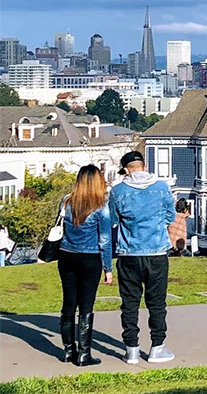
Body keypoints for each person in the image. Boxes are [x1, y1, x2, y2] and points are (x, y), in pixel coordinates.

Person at [109, 151, 176, 364]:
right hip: (156, 251)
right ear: (144, 166)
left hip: (129, 252)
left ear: (127, 169)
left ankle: (131, 349)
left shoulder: (118, 191)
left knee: (129, 302)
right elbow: (170, 216)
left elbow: (112, 220)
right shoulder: (162, 187)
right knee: (157, 303)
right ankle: (157, 346)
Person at [59, 165, 113, 366]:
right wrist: (108, 268)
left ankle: (68, 350)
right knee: (86, 305)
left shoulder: (66, 202)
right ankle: (84, 353)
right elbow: (105, 240)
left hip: (66, 255)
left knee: (68, 303)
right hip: (90, 258)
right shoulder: (101, 206)